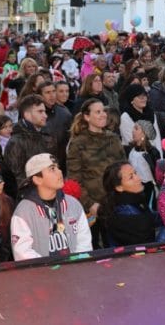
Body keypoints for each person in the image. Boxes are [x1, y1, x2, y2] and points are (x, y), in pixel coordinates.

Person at [67, 98, 125, 247]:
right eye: (98, 112)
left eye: (104, 111)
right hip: (92, 206)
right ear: (87, 117)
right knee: (94, 247)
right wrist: (90, 204)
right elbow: (74, 178)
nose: (103, 115)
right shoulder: (78, 143)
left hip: (116, 202)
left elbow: (124, 168)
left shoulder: (113, 138)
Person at [10, 154, 92, 260]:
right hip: (43, 273)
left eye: (58, 167)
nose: (60, 172)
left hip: (73, 271)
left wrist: (75, 264)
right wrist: (50, 269)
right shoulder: (24, 212)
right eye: (52, 169)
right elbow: (22, 253)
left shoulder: (73, 204)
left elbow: (84, 243)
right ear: (37, 179)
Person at [3, 95, 56, 190]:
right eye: (40, 112)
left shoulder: (46, 135)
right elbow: (16, 177)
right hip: (29, 195)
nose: (45, 115)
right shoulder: (16, 142)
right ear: (27, 115)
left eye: (44, 111)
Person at [100, 161, 158, 247]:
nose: (138, 178)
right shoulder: (125, 213)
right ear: (119, 187)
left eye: (135, 173)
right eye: (131, 177)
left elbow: (152, 218)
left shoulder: (135, 201)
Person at [38, 80, 73, 173]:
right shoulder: (35, 114)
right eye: (47, 92)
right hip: (42, 163)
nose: (52, 95)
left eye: (53, 91)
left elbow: (70, 139)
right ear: (40, 95)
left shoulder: (65, 113)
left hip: (62, 163)